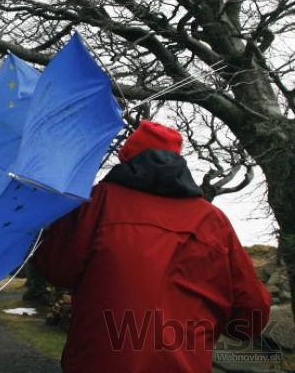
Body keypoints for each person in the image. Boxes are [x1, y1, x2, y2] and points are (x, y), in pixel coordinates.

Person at [32, 120, 271, 373]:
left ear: (127, 158)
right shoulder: (212, 220)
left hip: (99, 362)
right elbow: (250, 314)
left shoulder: (98, 201)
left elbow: (56, 269)